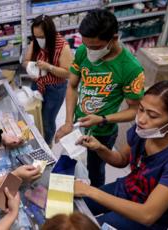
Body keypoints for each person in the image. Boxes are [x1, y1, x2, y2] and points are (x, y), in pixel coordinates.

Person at [74, 80, 168, 229]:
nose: (141, 119)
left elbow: (147, 215)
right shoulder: (143, 131)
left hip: (145, 216)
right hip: (127, 190)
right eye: (141, 109)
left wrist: (90, 191)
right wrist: (100, 148)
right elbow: (122, 160)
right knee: (72, 205)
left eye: (153, 116)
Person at [55, 9, 145, 187]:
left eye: (95, 47)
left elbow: (135, 110)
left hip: (104, 131)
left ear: (114, 39)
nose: (90, 51)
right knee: (69, 163)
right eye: (87, 45)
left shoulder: (131, 68)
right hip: (78, 124)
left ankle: (95, 201)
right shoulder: (82, 51)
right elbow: (72, 86)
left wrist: (103, 119)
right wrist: (67, 122)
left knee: (95, 171)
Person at [23, 14, 72, 145]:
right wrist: (30, 68)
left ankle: (47, 144)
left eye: (41, 37)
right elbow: (26, 61)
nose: (38, 40)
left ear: (50, 33)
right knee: (35, 116)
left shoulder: (62, 46)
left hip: (54, 89)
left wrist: (49, 67)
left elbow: (68, 73)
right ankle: (37, 142)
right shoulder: (36, 42)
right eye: (36, 37)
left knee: (47, 121)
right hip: (38, 84)